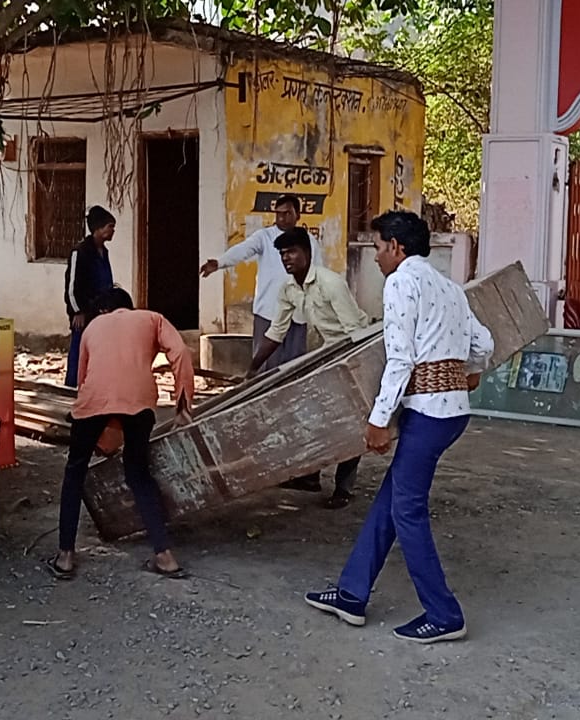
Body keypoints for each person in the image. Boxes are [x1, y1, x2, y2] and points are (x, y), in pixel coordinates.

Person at [304, 210, 493, 644]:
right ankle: (352, 593)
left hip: (426, 413)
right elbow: (483, 343)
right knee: (393, 500)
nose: (375, 257)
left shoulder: (402, 282)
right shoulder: (448, 287)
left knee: (408, 511)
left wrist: (378, 420)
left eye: (377, 247)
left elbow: (401, 359)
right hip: (451, 413)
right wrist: (472, 371)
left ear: (396, 247)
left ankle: (444, 614)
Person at [49, 287, 194, 581]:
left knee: (75, 473)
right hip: (140, 403)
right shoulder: (152, 318)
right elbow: (179, 351)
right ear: (129, 307)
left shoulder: (92, 326)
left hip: (94, 401)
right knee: (139, 474)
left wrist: (101, 440)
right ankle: (164, 556)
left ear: (104, 309)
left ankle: (65, 556)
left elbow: (83, 380)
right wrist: (183, 405)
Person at [248, 227, 371, 509]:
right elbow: (276, 332)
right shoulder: (289, 288)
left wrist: (351, 371)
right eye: (282, 254)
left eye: (292, 252)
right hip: (326, 356)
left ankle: (344, 488)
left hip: (352, 354)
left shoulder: (331, 284)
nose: (286, 258)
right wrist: (252, 369)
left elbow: (355, 332)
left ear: (308, 253)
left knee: (351, 423)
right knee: (314, 416)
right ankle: (310, 476)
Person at [200, 194, 320, 373]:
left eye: (287, 213)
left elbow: (318, 273)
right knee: (265, 367)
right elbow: (243, 250)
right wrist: (219, 263)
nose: (282, 218)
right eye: (278, 214)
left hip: (297, 314)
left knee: (295, 367)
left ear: (298, 215)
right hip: (269, 312)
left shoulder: (309, 241)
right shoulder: (264, 237)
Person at [64, 206, 116, 387]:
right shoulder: (80, 252)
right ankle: (72, 388)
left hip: (102, 312)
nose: (112, 231)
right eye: (110, 227)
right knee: (79, 351)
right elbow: (72, 287)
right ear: (99, 228)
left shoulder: (104, 252)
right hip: (84, 315)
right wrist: (78, 311)